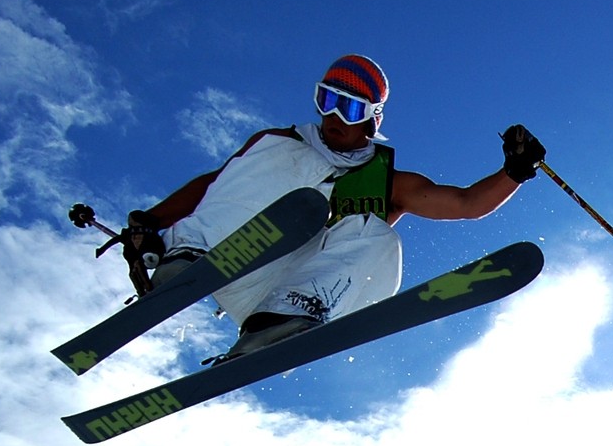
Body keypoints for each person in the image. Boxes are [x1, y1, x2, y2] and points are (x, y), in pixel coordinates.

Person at [122, 54, 546, 360]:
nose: (334, 117)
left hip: (301, 294)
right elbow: (216, 186)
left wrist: (515, 171)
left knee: (376, 233)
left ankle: (280, 322)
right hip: (231, 261)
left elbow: (466, 204)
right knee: (278, 148)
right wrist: (150, 223)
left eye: (350, 107)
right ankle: (186, 257)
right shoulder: (277, 144)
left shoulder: (387, 182)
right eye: (327, 100)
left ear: (372, 120)